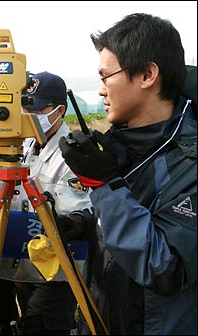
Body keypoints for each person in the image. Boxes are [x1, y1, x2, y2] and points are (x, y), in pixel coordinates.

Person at [57, 13, 196, 334]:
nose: (102, 91)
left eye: (107, 77)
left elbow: (166, 268)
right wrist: (85, 224)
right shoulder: (124, 148)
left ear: (147, 74)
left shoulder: (189, 160)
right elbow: (136, 214)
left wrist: (103, 184)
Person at [12, 71, 91, 335]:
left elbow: (75, 215)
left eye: (38, 108)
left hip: (57, 267)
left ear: (59, 110)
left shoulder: (73, 153)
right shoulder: (28, 146)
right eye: (26, 107)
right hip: (25, 262)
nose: (30, 114)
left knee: (42, 326)